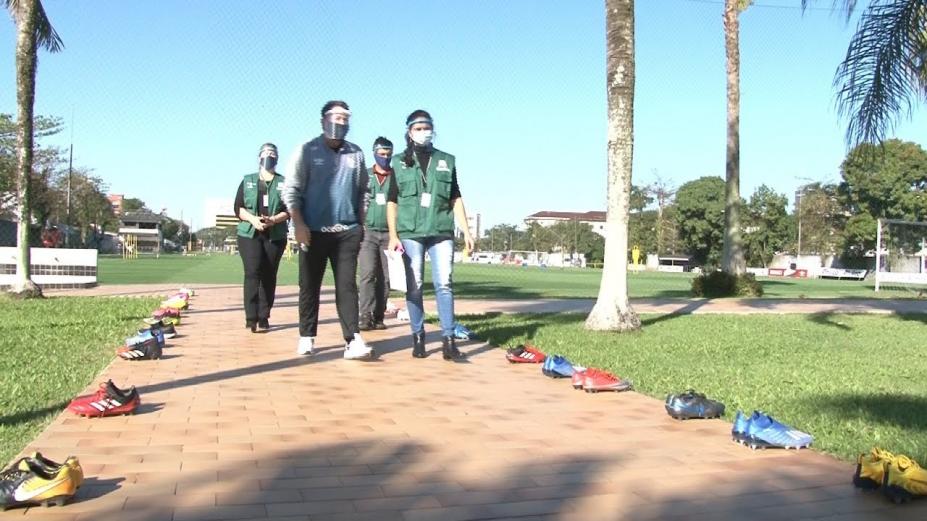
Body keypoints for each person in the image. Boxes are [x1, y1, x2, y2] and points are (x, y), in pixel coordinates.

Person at [283, 100, 373, 360]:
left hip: (347, 230)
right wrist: (298, 223)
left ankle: (352, 339)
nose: (340, 123)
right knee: (309, 285)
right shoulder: (307, 150)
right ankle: (306, 335)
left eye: (345, 118)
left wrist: (361, 223)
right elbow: (292, 190)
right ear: (323, 120)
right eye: (335, 117)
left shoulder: (356, 153)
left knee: (347, 285)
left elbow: (363, 190)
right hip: (312, 229)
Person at [386, 110, 475, 360]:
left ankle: (448, 339)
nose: (424, 132)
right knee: (414, 286)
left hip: (441, 230)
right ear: (409, 131)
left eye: (428, 127)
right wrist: (393, 235)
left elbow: (455, 196)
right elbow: (391, 201)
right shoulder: (397, 162)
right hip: (410, 231)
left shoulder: (446, 160)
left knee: (444, 283)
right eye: (419, 128)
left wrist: (466, 231)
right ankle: (418, 336)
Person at [234, 143, 290, 333]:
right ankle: (251, 317)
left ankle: (264, 315)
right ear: (259, 157)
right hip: (250, 233)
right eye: (266, 153)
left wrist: (273, 220)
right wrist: (253, 220)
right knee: (252, 272)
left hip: (275, 234)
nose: (269, 156)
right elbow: (238, 208)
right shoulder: (248, 180)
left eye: (273, 153)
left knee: (269, 274)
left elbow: (289, 210)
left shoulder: (284, 182)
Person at [358, 137, 395, 331]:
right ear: (374, 153)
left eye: (388, 154)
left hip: (389, 234)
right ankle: (365, 315)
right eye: (382, 154)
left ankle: (379, 315)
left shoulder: (396, 176)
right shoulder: (364, 176)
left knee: (386, 278)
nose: (385, 157)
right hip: (368, 232)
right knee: (367, 274)